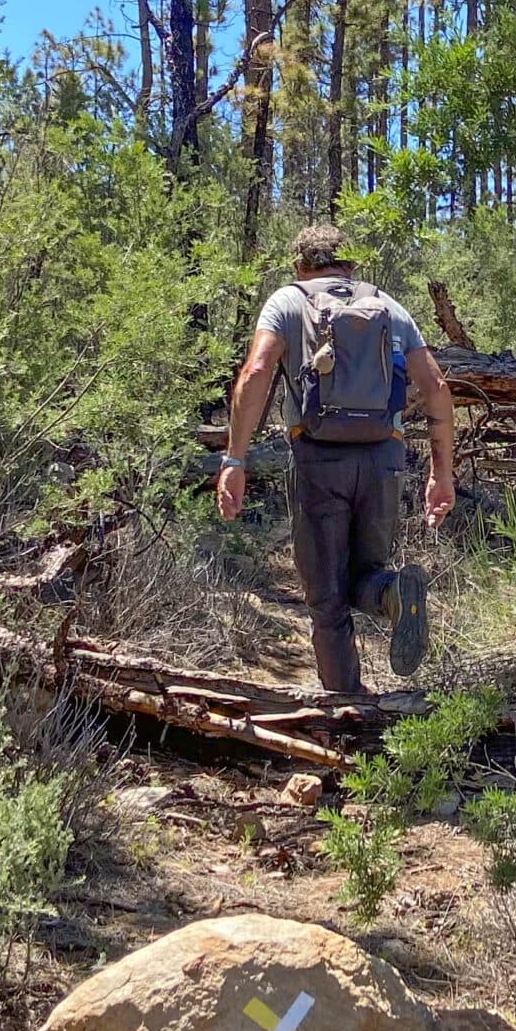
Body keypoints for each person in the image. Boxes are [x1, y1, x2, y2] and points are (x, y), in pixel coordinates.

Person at [214, 223, 457, 694]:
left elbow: (257, 371)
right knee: (366, 573)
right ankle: (391, 593)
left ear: (301, 265)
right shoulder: (389, 307)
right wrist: (440, 474)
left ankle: (343, 711)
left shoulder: (288, 301)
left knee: (327, 600)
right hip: (384, 456)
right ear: (350, 264)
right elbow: (437, 388)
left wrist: (234, 460)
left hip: (317, 458)